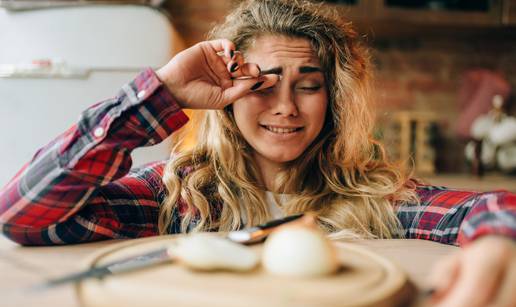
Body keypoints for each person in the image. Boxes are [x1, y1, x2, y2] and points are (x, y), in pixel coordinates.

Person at [0, 0, 514, 306]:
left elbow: (480, 208)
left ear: (332, 99)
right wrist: (160, 92)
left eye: (308, 86)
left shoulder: (373, 196)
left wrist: (496, 244)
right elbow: (25, 215)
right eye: (262, 85)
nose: (285, 107)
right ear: (228, 95)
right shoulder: (176, 194)